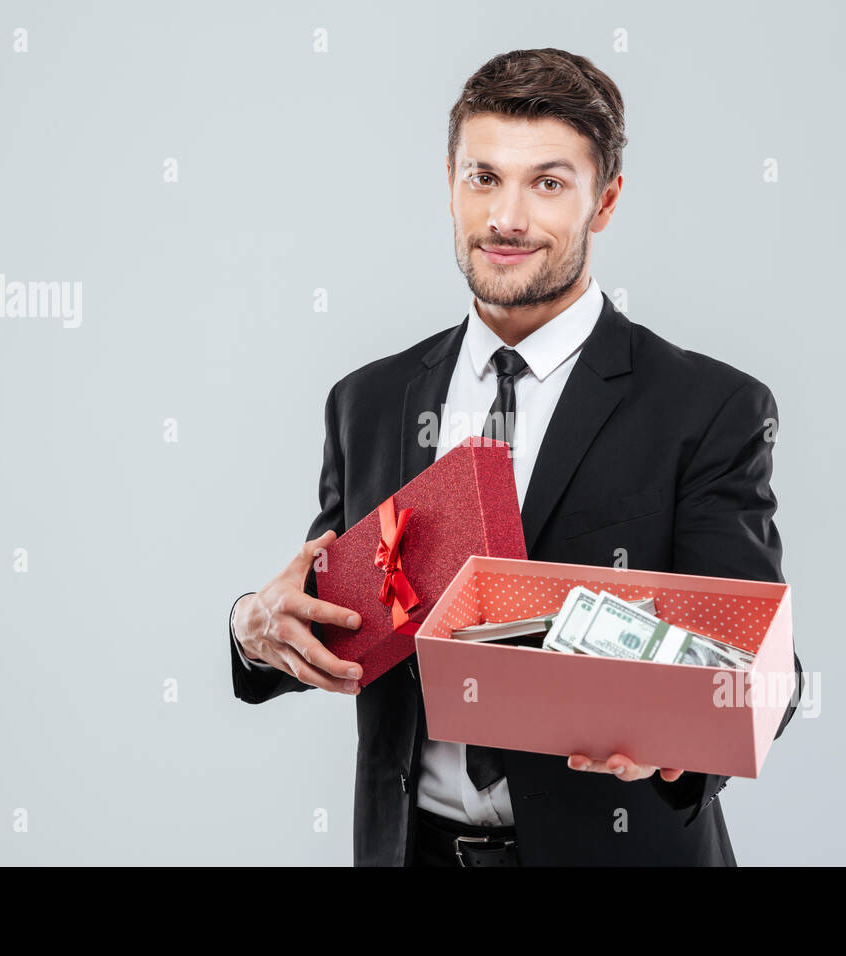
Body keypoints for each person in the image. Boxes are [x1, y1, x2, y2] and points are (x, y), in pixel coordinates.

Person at [229, 47, 803, 866]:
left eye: (549, 182)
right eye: (483, 177)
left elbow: (764, 670)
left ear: (604, 202)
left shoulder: (708, 408)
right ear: (450, 185)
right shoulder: (367, 400)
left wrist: (683, 742)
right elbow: (341, 615)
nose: (506, 218)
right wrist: (256, 628)